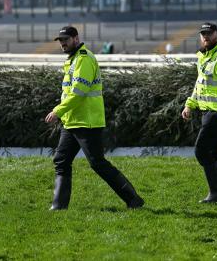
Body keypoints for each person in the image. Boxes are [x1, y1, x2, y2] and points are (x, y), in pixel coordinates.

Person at [45, 26, 144, 210]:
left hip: (87, 122)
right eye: (60, 40)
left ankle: (133, 199)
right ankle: (58, 207)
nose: (62, 43)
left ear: (76, 38)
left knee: (98, 163)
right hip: (72, 121)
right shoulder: (73, 61)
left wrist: (58, 111)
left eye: (66, 39)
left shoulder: (84, 60)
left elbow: (78, 93)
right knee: (61, 160)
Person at [181, 23, 217, 203]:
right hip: (208, 112)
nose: (205, 36)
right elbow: (200, 85)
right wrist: (189, 105)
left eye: (209, 33)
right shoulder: (205, 57)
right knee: (216, 154)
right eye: (203, 34)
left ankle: (216, 193)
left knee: (201, 151)